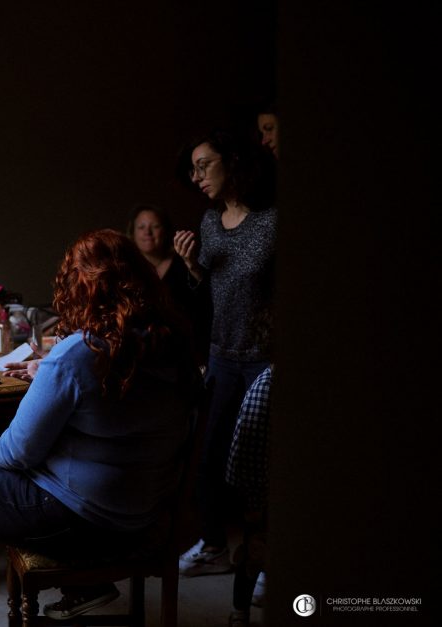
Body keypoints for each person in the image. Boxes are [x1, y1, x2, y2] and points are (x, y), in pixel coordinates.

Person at [0, 229, 202, 626]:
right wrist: (48, 372)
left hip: (79, 522)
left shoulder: (79, 353)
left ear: (80, 288)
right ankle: (84, 588)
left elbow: (17, 452)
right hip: (142, 516)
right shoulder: (173, 345)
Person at [173, 129, 276, 577]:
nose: (197, 177)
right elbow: (206, 298)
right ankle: (213, 544)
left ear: (230, 162)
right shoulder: (209, 222)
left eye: (204, 165)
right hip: (221, 355)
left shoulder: (273, 220)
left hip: (264, 358)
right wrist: (193, 267)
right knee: (206, 453)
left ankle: (267, 560)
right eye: (192, 169)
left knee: (262, 467)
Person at [127, 203, 211, 367]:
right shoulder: (127, 268)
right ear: (132, 232)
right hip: (143, 353)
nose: (147, 233)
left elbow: (204, 299)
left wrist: (192, 264)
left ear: (165, 231)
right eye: (141, 227)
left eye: (155, 226)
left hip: (185, 349)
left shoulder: (184, 262)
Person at [225, 366, 272, 626]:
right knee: (252, 552)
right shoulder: (267, 386)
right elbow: (247, 453)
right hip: (261, 493)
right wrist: (254, 503)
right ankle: (239, 611)